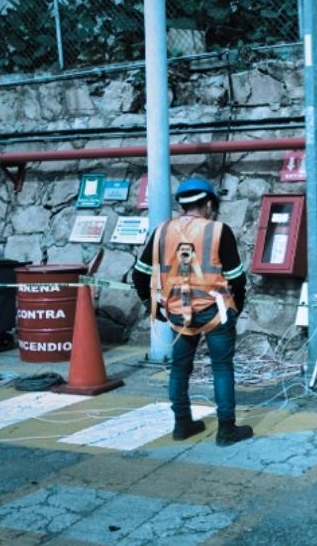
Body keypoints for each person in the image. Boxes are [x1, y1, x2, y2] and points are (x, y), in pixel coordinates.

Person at [132, 176, 253, 446]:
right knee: (221, 368)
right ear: (209, 203)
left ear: (183, 205)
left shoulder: (162, 231)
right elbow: (237, 278)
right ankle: (226, 430)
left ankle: (182, 424)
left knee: (179, 368)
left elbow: (139, 275)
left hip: (177, 312)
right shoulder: (219, 231)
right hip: (215, 312)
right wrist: (236, 308)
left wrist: (150, 305)